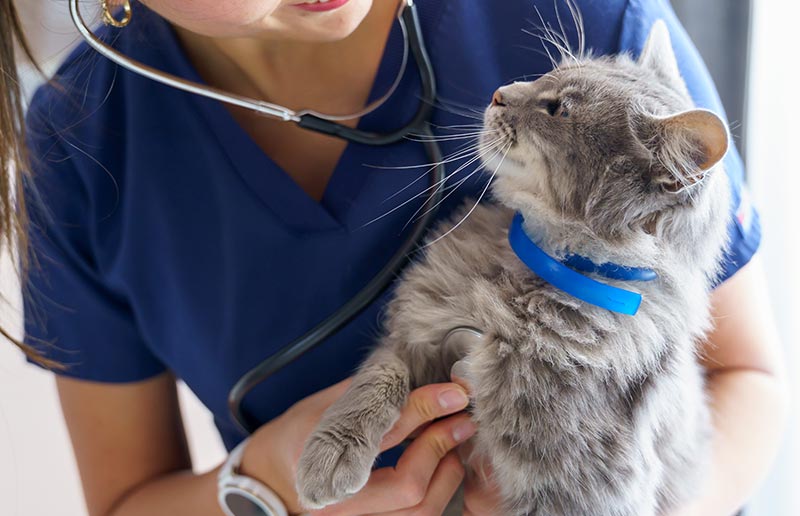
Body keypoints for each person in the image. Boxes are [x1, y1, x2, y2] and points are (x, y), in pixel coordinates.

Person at [17, 0, 787, 514]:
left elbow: (747, 376)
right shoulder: (79, 148)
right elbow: (127, 502)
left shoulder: (589, 20)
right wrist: (256, 486)